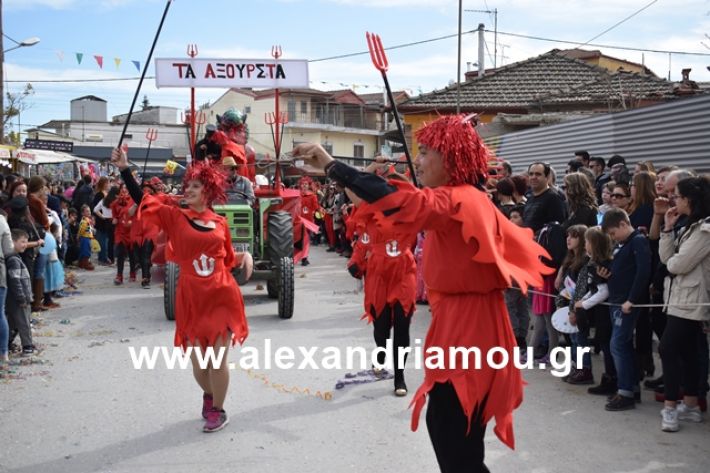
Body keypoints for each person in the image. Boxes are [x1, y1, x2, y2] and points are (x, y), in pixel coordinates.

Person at [292, 114, 552, 472]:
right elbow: (390, 201)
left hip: (470, 330)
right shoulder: (463, 198)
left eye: (426, 151)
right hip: (464, 323)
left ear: (451, 158)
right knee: (459, 440)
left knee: (453, 439)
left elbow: (396, 200)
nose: (418, 159)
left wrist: (333, 164)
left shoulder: (457, 200)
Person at [112, 146, 248, 433]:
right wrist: (125, 169)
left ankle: (218, 411)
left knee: (218, 359)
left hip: (221, 295)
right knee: (200, 364)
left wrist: (243, 261)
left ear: (207, 192)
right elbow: (142, 199)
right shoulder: (174, 217)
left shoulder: (221, 223)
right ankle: (209, 396)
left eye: (194, 186)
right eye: (187, 186)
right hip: (191, 297)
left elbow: (229, 259)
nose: (188, 190)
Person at [347, 166, 416, 396]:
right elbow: (363, 241)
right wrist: (356, 261)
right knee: (381, 326)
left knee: (403, 326)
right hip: (377, 273)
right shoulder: (368, 212)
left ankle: (399, 376)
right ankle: (380, 353)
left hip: (403, 272)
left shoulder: (411, 211)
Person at [658, 175, 710, 432]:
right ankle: (690, 405)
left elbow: (678, 264)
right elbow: (667, 258)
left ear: (689, 198)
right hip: (678, 298)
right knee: (688, 352)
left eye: (676, 196)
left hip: (691, 300)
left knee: (668, 349)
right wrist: (667, 229)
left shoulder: (704, 230)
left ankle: (671, 407)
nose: (672, 200)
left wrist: (672, 263)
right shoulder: (690, 225)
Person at [601, 208, 652, 411]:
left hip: (626, 303)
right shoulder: (623, 245)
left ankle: (626, 392)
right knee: (622, 346)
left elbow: (643, 272)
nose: (613, 238)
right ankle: (630, 388)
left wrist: (631, 299)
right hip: (617, 301)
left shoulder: (638, 241)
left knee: (618, 345)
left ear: (623, 224)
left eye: (613, 233)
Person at [567, 227, 612, 385]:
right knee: (577, 339)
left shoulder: (597, 263)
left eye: (587, 241)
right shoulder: (587, 261)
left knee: (588, 340)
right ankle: (579, 367)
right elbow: (589, 287)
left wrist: (582, 304)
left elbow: (600, 289)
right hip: (584, 306)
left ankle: (586, 369)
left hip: (596, 310)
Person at [6, 229, 35, 356]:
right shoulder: (13, 260)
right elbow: (15, 281)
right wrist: (22, 298)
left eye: (26, 242)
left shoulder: (15, 258)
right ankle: (28, 346)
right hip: (18, 299)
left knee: (12, 324)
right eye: (22, 242)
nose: (25, 244)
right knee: (24, 323)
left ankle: (6, 343)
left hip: (14, 299)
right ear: (13, 242)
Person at [77, 205, 95, 271]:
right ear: (82, 213)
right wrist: (79, 236)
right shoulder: (84, 221)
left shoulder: (87, 220)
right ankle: (85, 263)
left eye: (89, 211)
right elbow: (81, 230)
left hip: (88, 237)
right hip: (85, 237)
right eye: (87, 211)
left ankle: (82, 263)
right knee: (85, 250)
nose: (89, 212)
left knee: (86, 250)